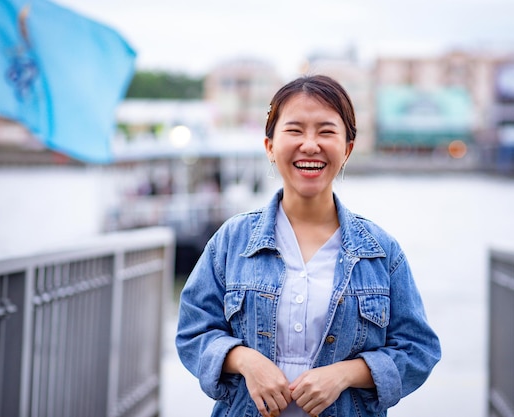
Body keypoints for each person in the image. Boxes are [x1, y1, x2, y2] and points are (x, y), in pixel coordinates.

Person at [176, 74, 441, 417]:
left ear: (347, 149)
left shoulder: (381, 251)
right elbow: (192, 331)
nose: (310, 144)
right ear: (270, 147)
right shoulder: (231, 241)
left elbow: (419, 349)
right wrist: (245, 360)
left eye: (326, 131)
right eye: (295, 130)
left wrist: (345, 374)